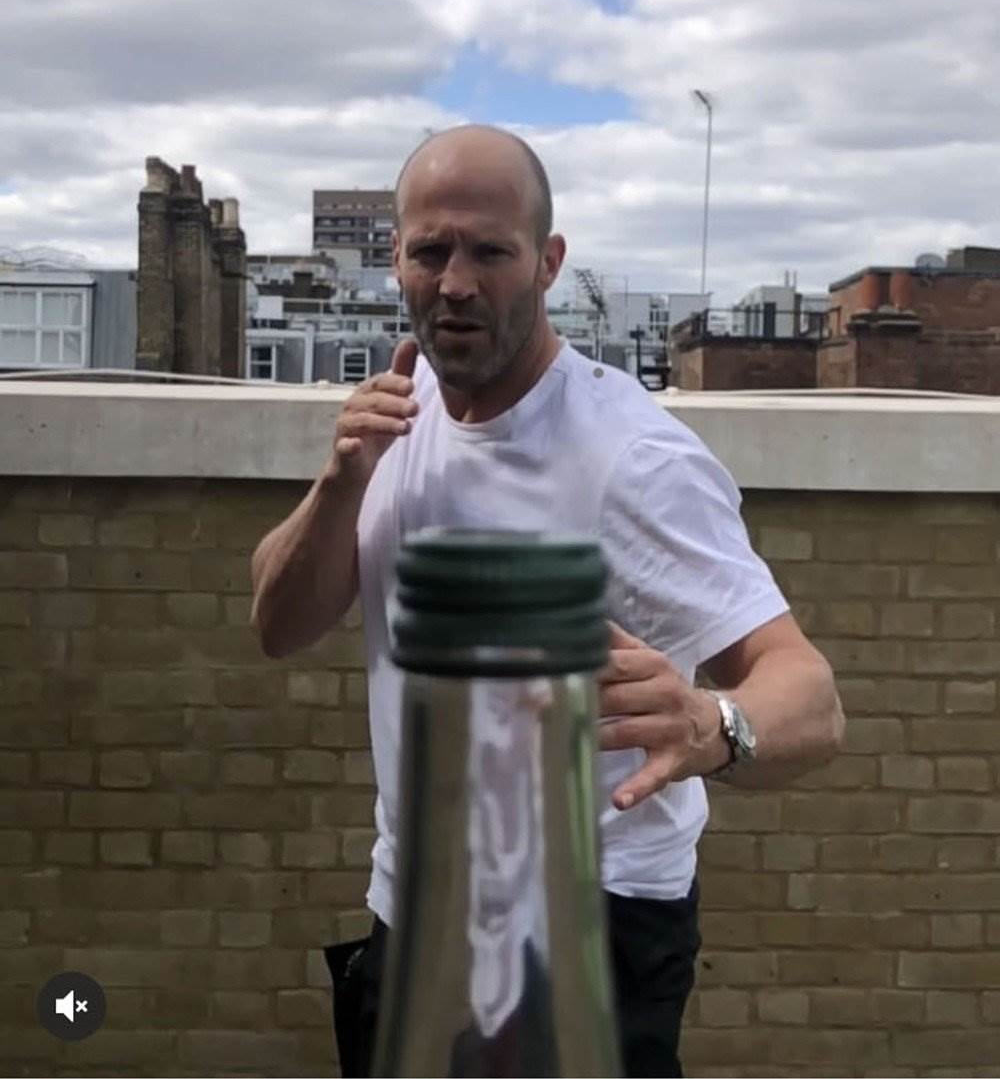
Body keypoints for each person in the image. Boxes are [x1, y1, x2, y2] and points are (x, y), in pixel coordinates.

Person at [250, 124, 845, 1077]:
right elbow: (279, 625)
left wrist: (713, 723)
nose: (455, 283)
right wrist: (340, 481)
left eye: (490, 252)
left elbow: (809, 696)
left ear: (548, 262)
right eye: (431, 251)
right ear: (396, 259)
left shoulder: (632, 456)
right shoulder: (401, 412)